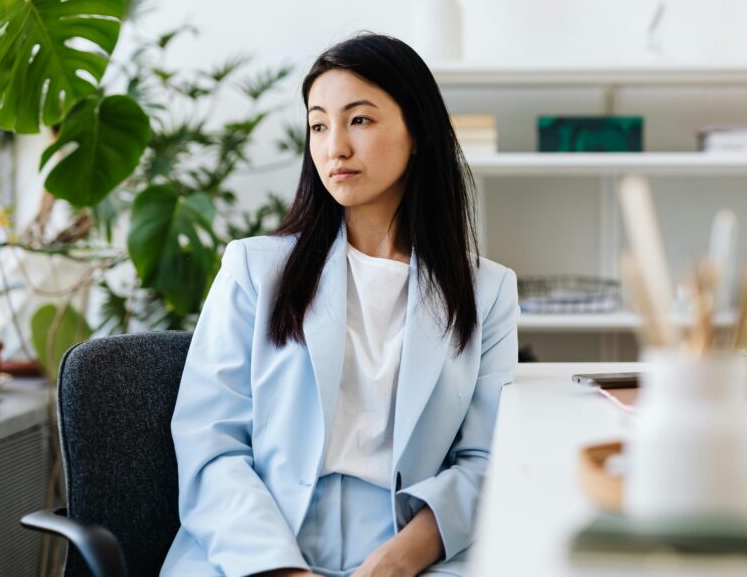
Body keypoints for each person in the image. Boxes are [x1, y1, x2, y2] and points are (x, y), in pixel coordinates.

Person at [160, 32, 520, 577]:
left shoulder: (485, 293)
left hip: (410, 554)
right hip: (254, 550)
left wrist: (396, 562)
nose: (335, 148)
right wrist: (282, 570)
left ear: (417, 131)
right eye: (319, 125)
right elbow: (211, 447)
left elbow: (486, 461)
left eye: (359, 120)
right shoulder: (256, 270)